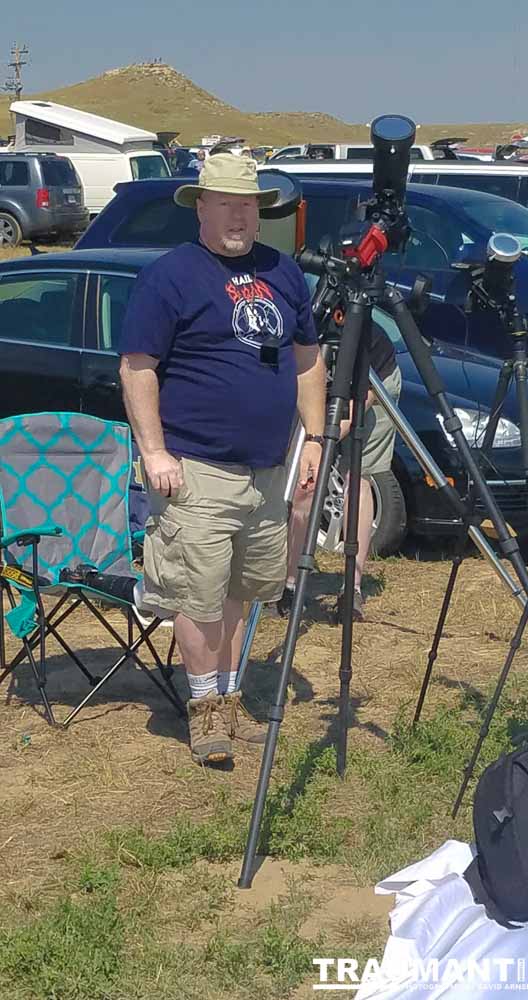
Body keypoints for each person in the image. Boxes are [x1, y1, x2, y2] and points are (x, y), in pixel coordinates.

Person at [119, 154, 326, 766]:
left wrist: (313, 438)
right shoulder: (172, 276)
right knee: (196, 595)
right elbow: (137, 368)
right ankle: (204, 707)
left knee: (240, 591)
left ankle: (230, 698)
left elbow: (308, 358)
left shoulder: (282, 273)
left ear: (258, 212)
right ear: (201, 207)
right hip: (195, 467)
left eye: (248, 205)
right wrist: (154, 451)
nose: (238, 215)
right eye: (226, 203)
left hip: (265, 471)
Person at [278, 314, 401, 623]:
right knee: (304, 482)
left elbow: (349, 416)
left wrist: (320, 441)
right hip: (314, 384)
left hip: (373, 385)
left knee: (356, 476)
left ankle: (353, 588)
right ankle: (290, 585)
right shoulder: (303, 324)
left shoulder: (366, 338)